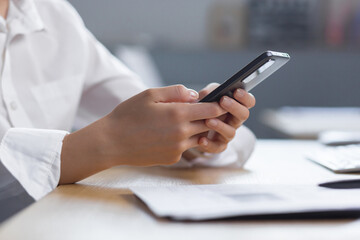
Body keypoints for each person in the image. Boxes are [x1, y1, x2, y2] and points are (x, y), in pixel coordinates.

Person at [0, 0, 256, 222]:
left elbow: (145, 114)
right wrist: (107, 143)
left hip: (51, 223)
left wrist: (193, 134)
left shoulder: (54, 17)